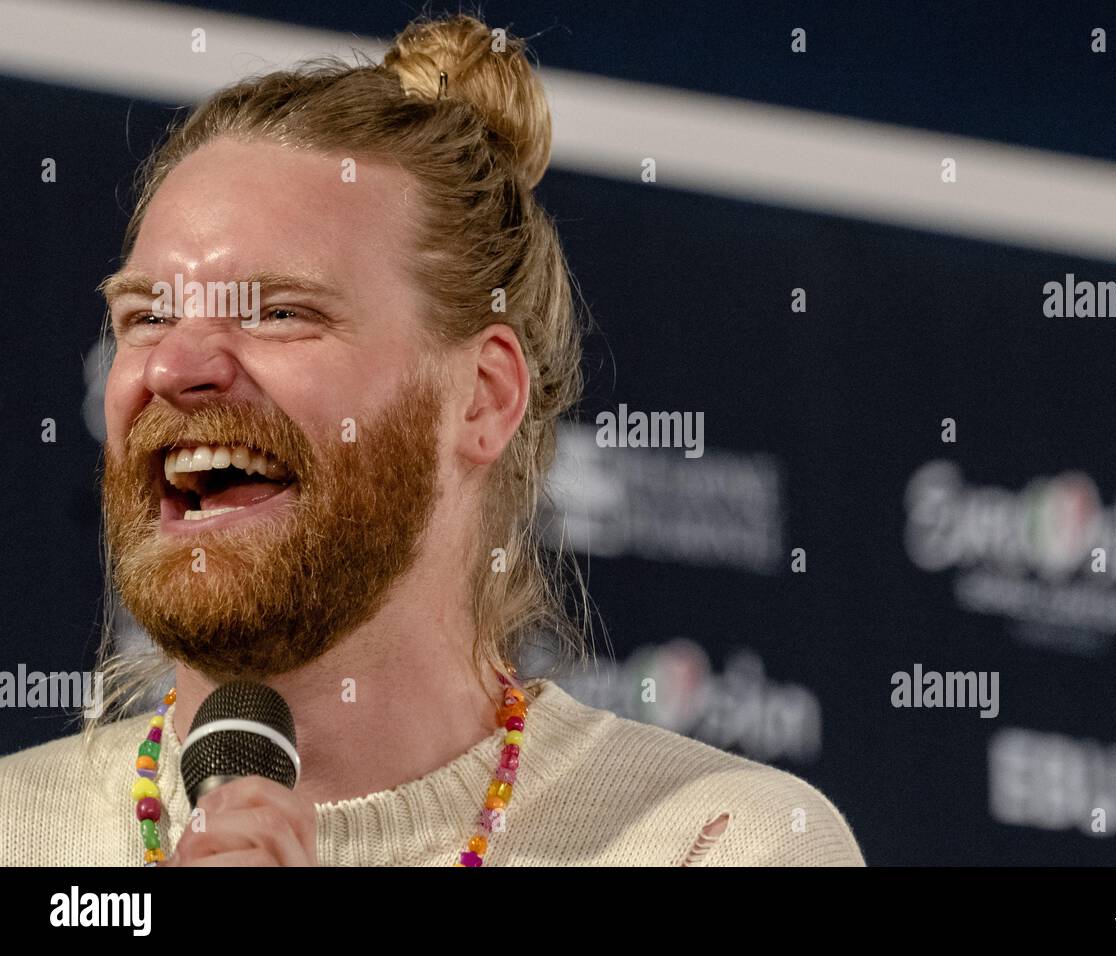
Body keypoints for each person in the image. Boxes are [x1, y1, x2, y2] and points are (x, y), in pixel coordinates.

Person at [0, 12, 865, 867]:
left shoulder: (716, 844)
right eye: (146, 316)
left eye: (280, 312)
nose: (175, 364)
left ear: (483, 400)